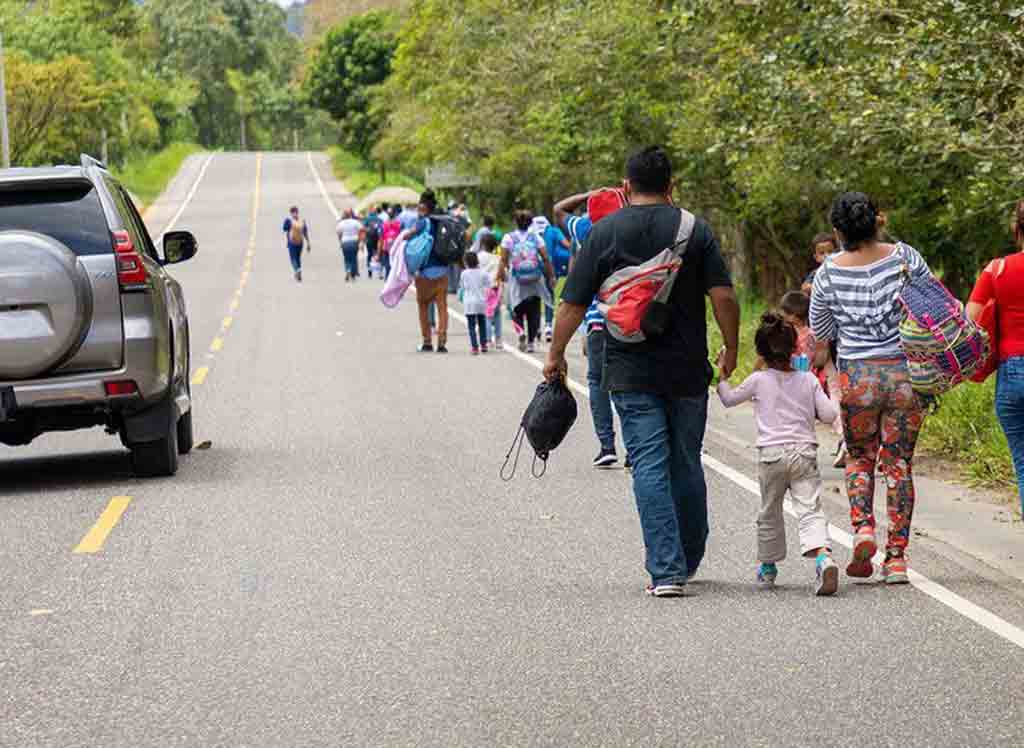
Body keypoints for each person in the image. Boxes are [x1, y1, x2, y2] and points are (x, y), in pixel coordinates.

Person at [545, 145, 740, 598]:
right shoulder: (695, 229)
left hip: (629, 367)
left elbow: (572, 302)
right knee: (686, 460)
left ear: (627, 186)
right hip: (689, 367)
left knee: (649, 462)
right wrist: (730, 347)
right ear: (671, 186)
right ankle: (688, 558)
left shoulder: (603, 231)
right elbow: (724, 297)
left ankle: (666, 571)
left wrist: (555, 354)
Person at [810, 191, 933, 585]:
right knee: (899, 464)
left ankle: (863, 529)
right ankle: (896, 559)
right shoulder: (904, 257)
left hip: (857, 377)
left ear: (837, 231)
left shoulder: (828, 272)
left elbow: (823, 332)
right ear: (877, 221)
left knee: (860, 458)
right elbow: (933, 305)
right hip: (904, 375)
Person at [717, 312, 840, 596]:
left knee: (770, 511)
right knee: (809, 508)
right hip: (804, 454)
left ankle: (768, 566)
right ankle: (823, 557)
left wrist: (722, 373)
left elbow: (727, 398)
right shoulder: (808, 380)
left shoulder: (758, 380)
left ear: (761, 350)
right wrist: (834, 392)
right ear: (795, 348)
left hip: (771, 455)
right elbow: (828, 414)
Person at [554, 188, 626, 469]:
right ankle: (633, 448)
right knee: (626, 382)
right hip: (628, 320)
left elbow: (559, 209)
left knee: (597, 382)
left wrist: (586, 194)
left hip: (596, 320)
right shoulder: (630, 228)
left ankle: (606, 445)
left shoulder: (586, 229)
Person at [967, 200, 1024, 512]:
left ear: (1016, 230)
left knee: (1023, 463)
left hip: (1012, 374)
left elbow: (969, 324)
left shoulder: (997, 270)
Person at [498, 210, 555, 354]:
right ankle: (530, 343)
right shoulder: (535, 237)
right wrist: (551, 276)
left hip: (517, 279)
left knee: (515, 308)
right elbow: (546, 258)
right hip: (535, 279)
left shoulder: (508, 238)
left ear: (515, 222)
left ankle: (520, 332)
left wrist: (500, 276)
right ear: (531, 223)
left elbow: (503, 260)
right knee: (534, 310)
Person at [403, 189, 450, 353]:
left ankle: (427, 342)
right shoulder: (444, 220)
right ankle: (442, 341)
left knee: (423, 306)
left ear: (423, 206)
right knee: (442, 307)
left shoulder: (423, 222)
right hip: (443, 270)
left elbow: (408, 236)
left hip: (425, 272)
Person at [459, 251, 491, 354]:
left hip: (469, 302)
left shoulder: (464, 273)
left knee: (471, 326)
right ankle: (484, 345)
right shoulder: (483, 273)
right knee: (482, 324)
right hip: (481, 301)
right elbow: (488, 286)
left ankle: (474, 347)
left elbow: (463, 287)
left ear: (466, 262)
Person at [477, 233, 504, 348]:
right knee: (497, 314)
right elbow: (503, 273)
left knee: (487, 315)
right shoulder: (498, 258)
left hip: (484, 289)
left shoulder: (479, 256)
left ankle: (488, 339)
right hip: (496, 288)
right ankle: (498, 339)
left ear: (482, 244)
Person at [780, 291, 814, 370]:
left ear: (795, 315)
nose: (782, 314)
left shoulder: (809, 336)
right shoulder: (786, 329)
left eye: (786, 312)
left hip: (802, 378)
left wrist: (783, 360)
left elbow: (804, 366)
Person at [282, 206, 310, 282]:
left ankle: (297, 270)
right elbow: (305, 232)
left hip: (292, 242)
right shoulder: (302, 220)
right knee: (298, 258)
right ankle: (299, 271)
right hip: (300, 242)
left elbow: (284, 229)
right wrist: (308, 243)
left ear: (290, 213)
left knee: (293, 258)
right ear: (297, 212)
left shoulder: (288, 220)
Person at [336, 208, 364, 282]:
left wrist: (340, 241)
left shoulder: (341, 223)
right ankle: (353, 275)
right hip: (354, 241)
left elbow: (339, 233)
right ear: (351, 215)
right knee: (354, 258)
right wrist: (361, 241)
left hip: (345, 242)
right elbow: (362, 230)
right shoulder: (355, 222)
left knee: (347, 258)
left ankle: (348, 270)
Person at [379, 206, 402, 280]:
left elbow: (381, 236)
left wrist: (380, 247)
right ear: (395, 214)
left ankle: (388, 277)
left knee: (387, 262)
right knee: (395, 262)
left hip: (386, 246)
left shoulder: (384, 224)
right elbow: (400, 234)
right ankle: (393, 277)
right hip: (396, 246)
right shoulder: (398, 223)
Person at [364, 208, 383, 278]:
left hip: (369, 239)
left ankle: (370, 271)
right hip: (378, 239)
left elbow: (364, 228)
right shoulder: (379, 219)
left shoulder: (367, 219)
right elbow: (382, 229)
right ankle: (379, 272)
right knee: (378, 255)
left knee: (369, 255)